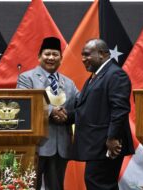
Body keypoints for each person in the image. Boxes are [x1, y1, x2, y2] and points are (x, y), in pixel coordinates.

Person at [16, 37, 79, 190]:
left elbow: (81, 105)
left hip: (61, 146)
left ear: (61, 59)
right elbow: (24, 103)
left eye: (55, 54)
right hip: (36, 144)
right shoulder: (26, 78)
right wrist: (51, 111)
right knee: (30, 186)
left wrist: (67, 115)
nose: (51, 58)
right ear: (39, 57)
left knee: (56, 187)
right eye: (47, 54)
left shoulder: (69, 83)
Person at [72, 38, 135, 190]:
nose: (83, 59)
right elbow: (87, 110)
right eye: (82, 55)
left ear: (101, 54)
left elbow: (119, 110)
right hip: (97, 145)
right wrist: (64, 115)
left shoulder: (115, 75)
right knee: (97, 183)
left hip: (107, 144)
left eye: (87, 55)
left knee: (100, 183)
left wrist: (113, 138)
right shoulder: (95, 77)